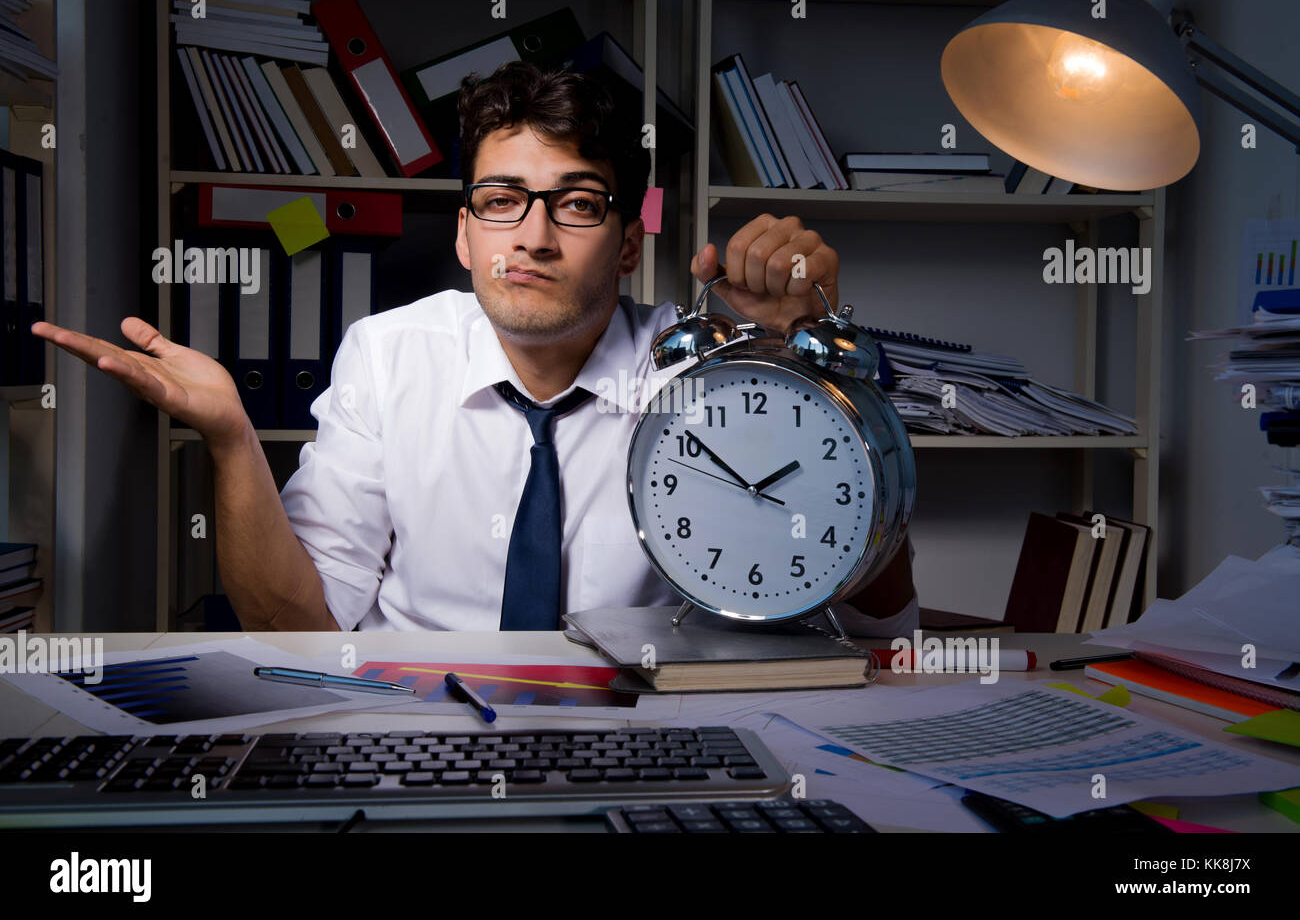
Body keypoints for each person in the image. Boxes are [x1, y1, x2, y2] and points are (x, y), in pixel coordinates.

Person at [34, 60, 917, 635]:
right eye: (501, 200)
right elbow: (300, 627)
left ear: (629, 246)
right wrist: (231, 438)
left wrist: (802, 367)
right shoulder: (387, 356)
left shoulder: (711, 376)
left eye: (577, 203)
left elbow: (881, 625)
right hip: (412, 724)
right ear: (464, 235)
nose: (532, 236)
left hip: (642, 735)